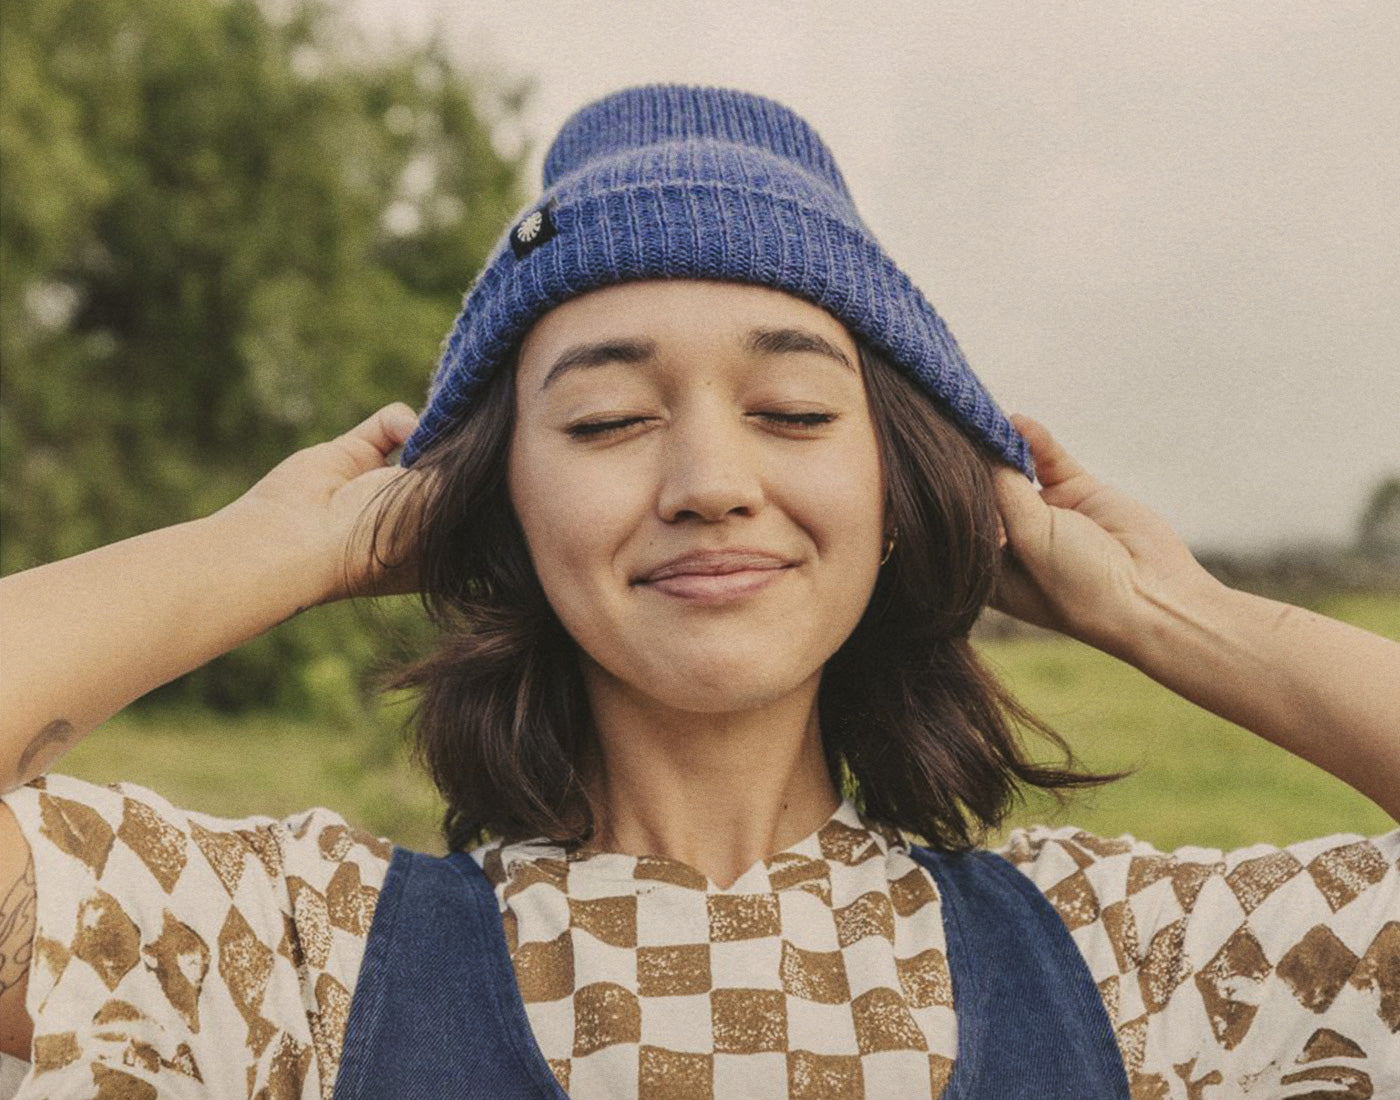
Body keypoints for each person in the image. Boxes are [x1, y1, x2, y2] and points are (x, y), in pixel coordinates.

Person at [0, 84, 1396, 1100]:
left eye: (792, 410)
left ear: (903, 496)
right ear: (495, 507)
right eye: (607, 423)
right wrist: (283, 548)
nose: (710, 479)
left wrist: (1167, 609)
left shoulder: (1138, 967)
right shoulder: (300, 957)